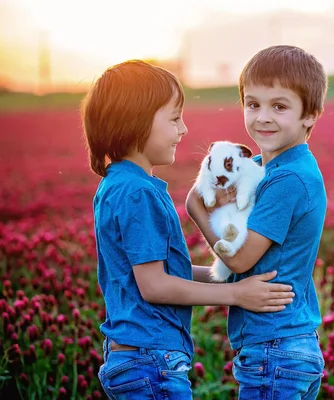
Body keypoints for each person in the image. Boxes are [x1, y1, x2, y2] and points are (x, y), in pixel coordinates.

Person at [81, 59, 295, 400]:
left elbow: (160, 272)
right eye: (174, 117)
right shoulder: (138, 193)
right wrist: (235, 295)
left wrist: (227, 276)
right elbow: (154, 286)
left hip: (135, 356)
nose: (183, 130)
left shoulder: (118, 184)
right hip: (149, 360)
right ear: (135, 121)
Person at [186, 45, 328, 400]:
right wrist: (178, 274)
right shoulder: (276, 172)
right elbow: (253, 270)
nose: (263, 116)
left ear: (310, 114)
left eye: (279, 106)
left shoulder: (286, 180)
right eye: (253, 104)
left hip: (273, 347)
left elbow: (240, 259)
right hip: (287, 346)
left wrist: (196, 206)